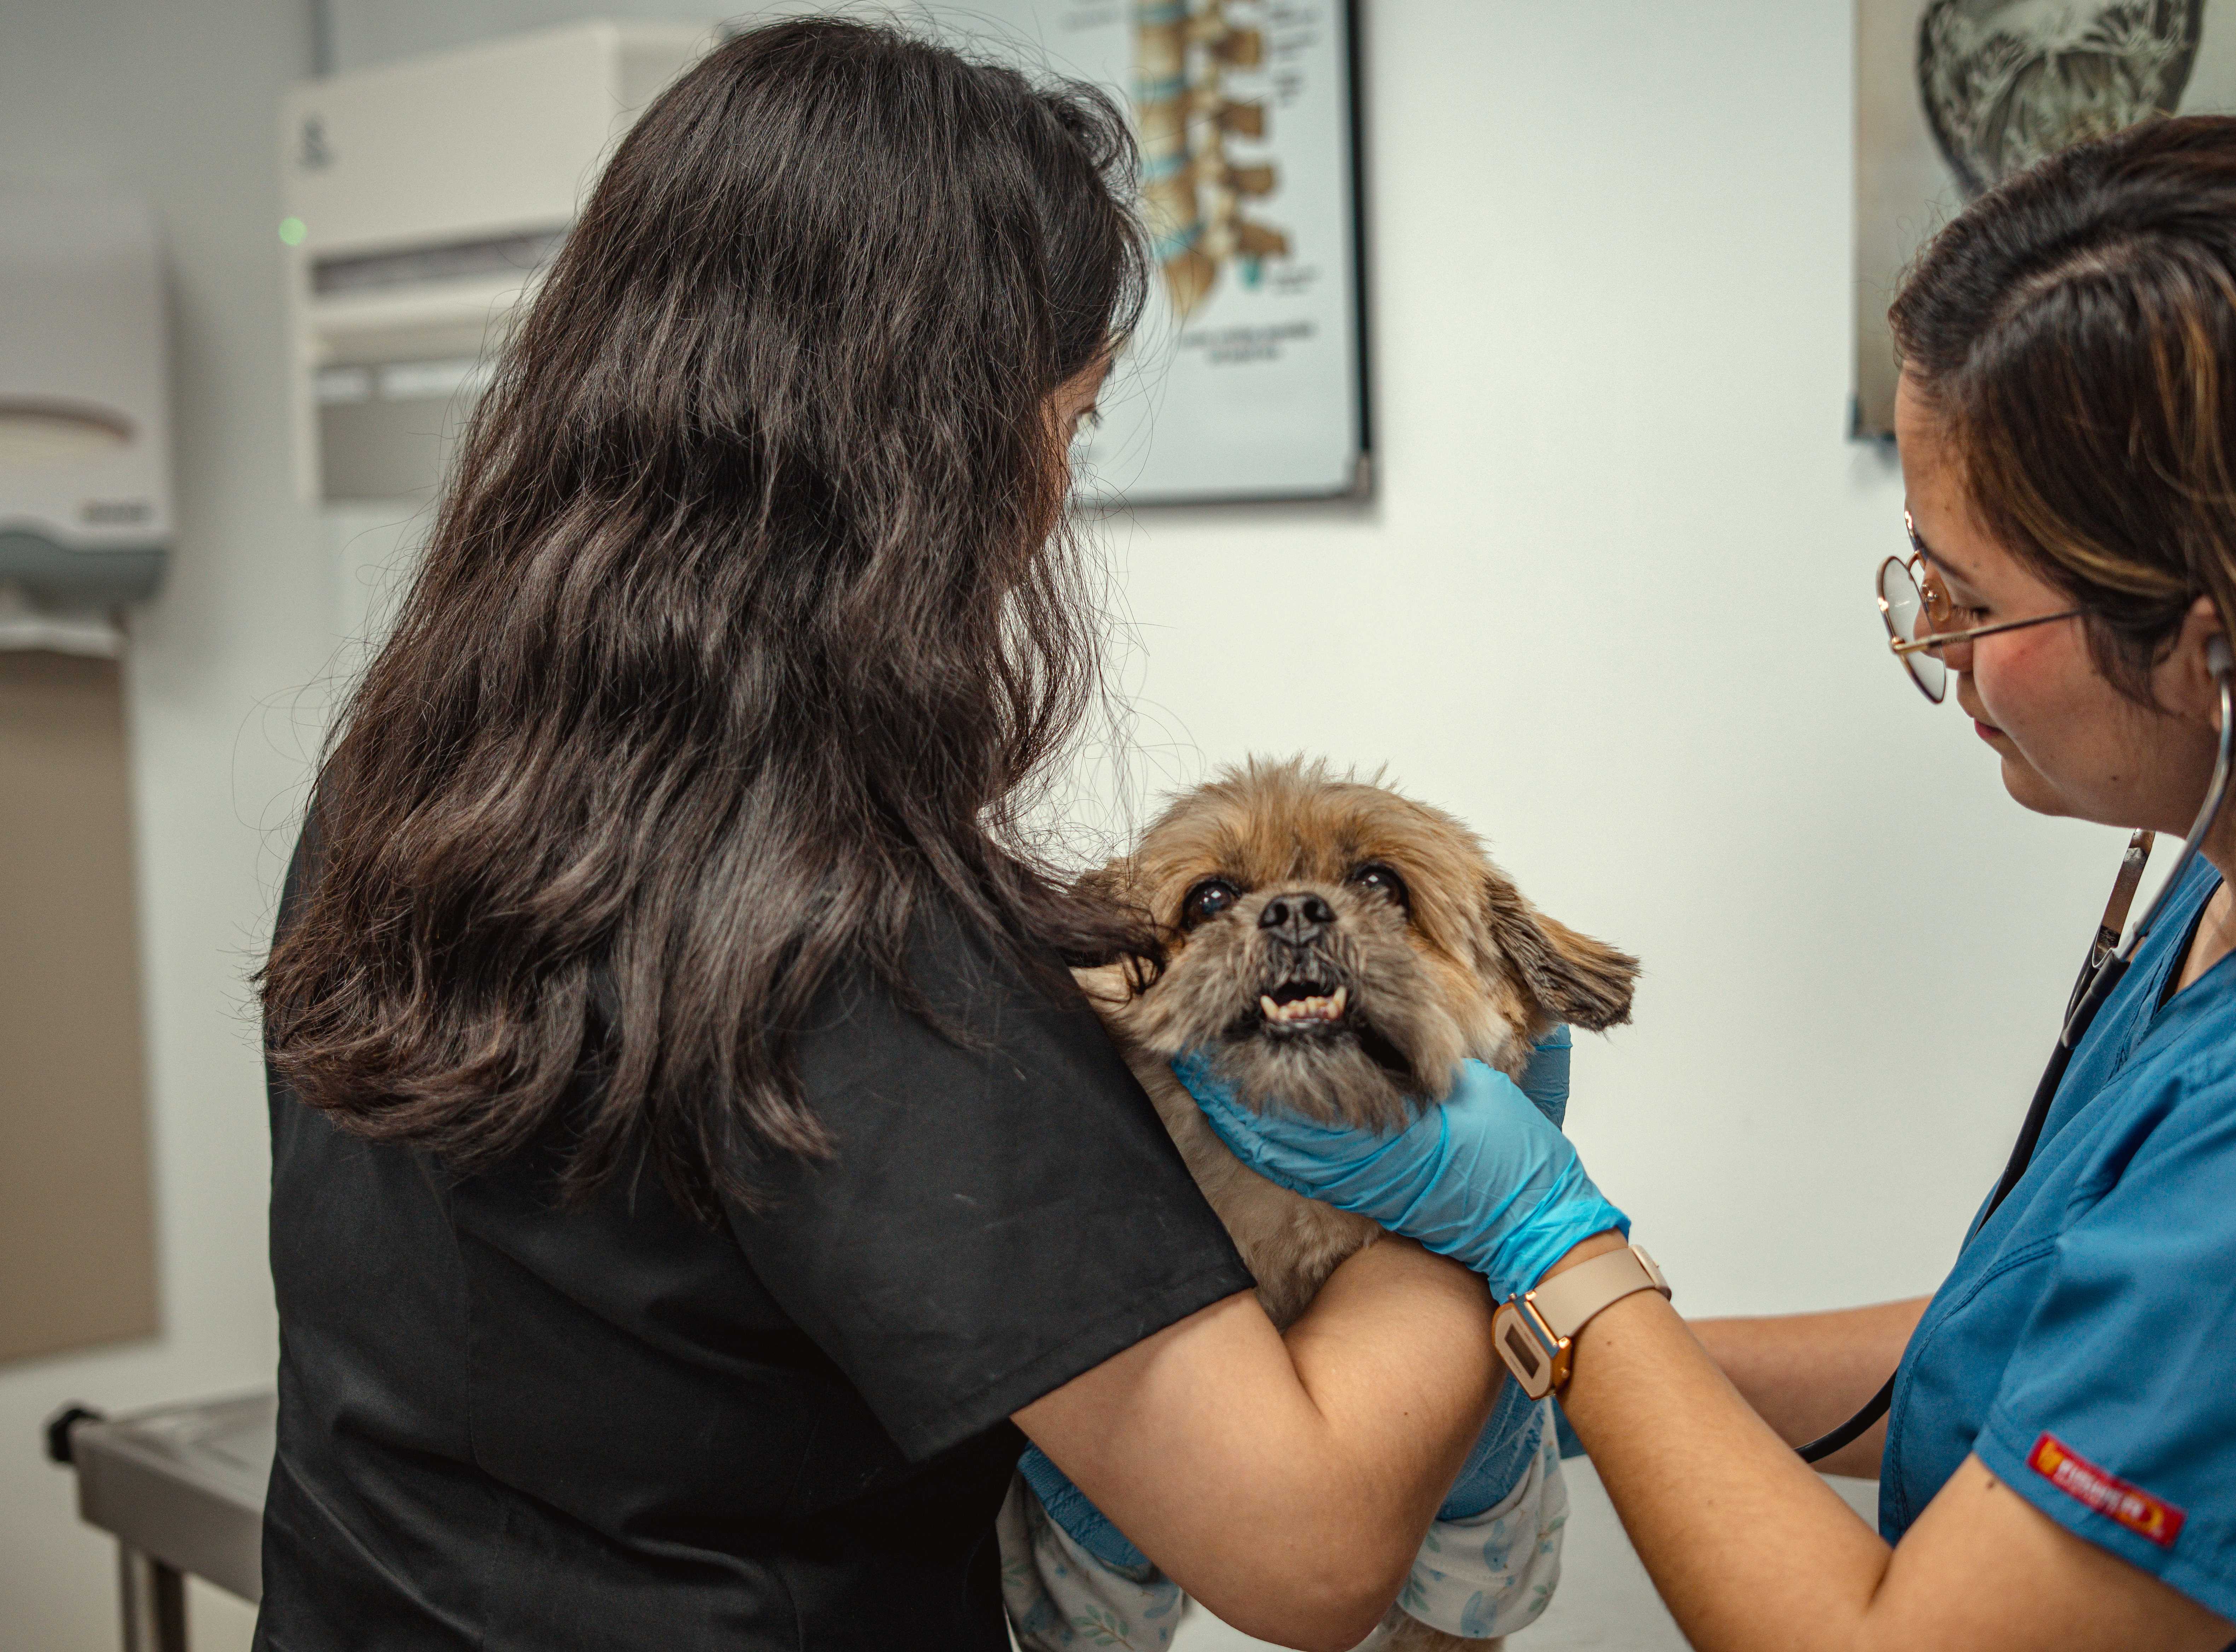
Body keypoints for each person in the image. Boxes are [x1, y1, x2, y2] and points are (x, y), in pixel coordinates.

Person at [250, 20, 1594, 1652]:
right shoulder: (842, 923)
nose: (1053, 500)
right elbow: (1305, 1549)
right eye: (1070, 425)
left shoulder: (423, 766)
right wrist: (1491, 1191)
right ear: (932, 445)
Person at [1183, 115, 2236, 1650]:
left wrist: (1559, 1256)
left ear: (2222, 649)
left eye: (1970, 599)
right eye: (1921, 580)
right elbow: (2062, 1349)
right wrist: (1516, 1385)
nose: (1928, 645)